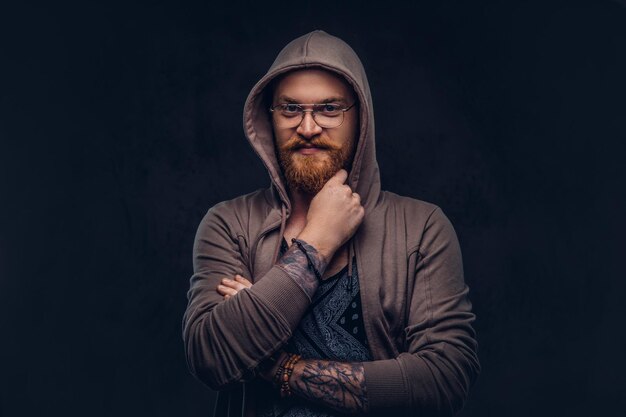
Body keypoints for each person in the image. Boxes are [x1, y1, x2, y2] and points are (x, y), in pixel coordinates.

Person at [182, 30, 480, 417]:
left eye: (329, 108)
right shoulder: (230, 223)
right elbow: (210, 356)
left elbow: (445, 379)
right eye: (290, 109)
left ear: (361, 117)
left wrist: (277, 367)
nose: (307, 127)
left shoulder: (421, 228)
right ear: (268, 117)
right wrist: (318, 241)